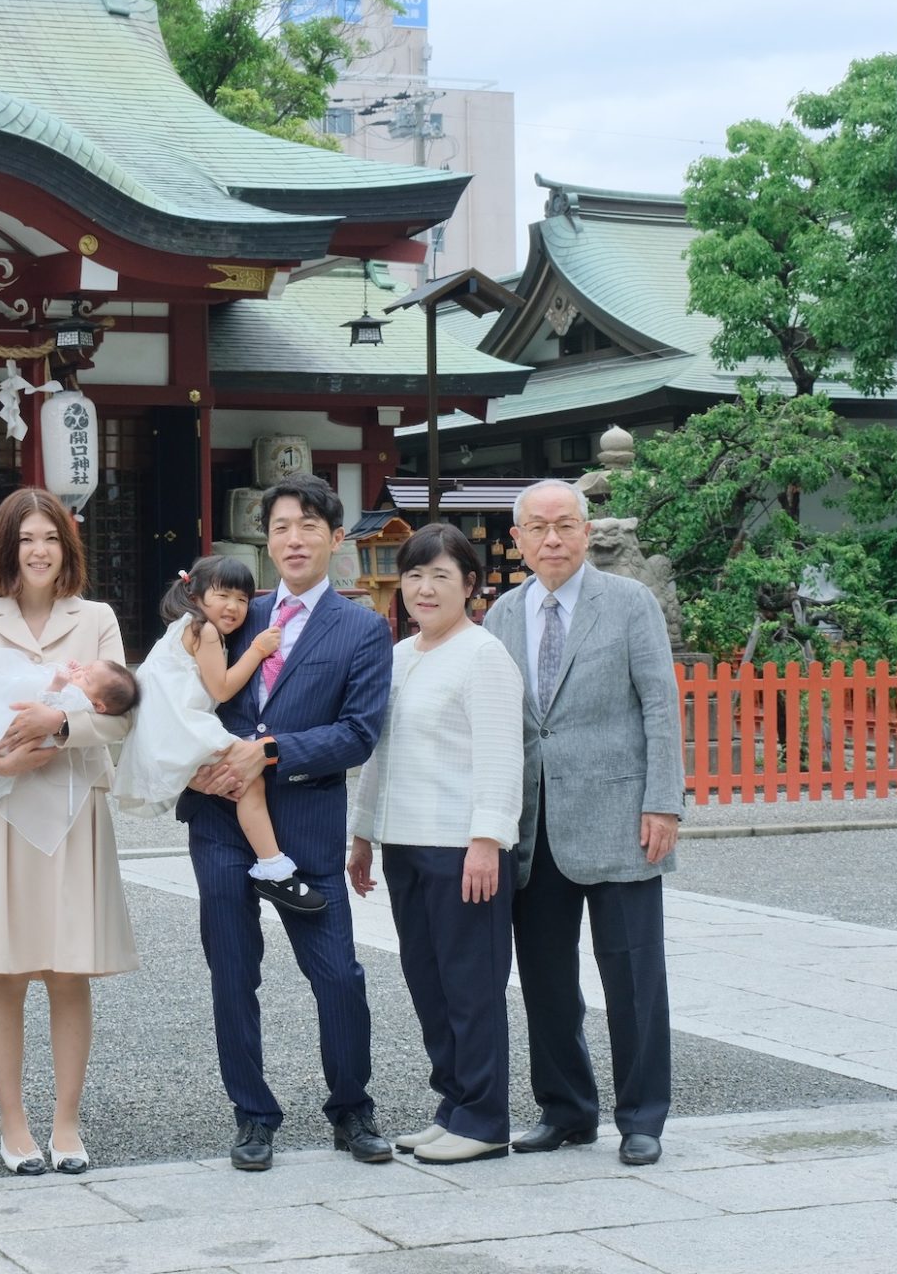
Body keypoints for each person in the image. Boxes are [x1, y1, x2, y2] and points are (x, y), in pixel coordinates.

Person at [0, 488, 137, 1178]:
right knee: (6, 973)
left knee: (69, 972)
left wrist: (60, 725)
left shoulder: (95, 619)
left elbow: (124, 714)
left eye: (49, 538)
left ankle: (66, 1123)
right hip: (1, 812)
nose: (37, 550)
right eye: (24, 539)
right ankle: (15, 1127)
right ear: (4, 552)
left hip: (74, 812)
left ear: (66, 549)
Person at [177, 472, 393, 1171]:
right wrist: (192, 762)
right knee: (232, 973)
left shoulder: (362, 629)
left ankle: (351, 1107)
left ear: (335, 539)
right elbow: (182, 696)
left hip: (305, 824)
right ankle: (253, 1114)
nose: (293, 538)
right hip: (218, 823)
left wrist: (268, 750)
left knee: (338, 976)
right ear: (264, 540)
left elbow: (359, 732)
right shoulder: (236, 610)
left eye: (307, 526)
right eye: (280, 527)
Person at [484, 478, 684, 1167]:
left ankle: (642, 1115)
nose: (552, 539)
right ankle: (566, 1109)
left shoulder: (629, 603)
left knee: (633, 975)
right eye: (536, 528)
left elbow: (660, 705)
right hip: (533, 825)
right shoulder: (503, 615)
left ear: (587, 529)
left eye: (564, 525)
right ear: (517, 540)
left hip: (622, 815)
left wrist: (664, 801)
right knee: (544, 979)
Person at [346, 524, 524, 1164]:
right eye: (415, 574)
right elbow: (377, 754)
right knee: (429, 982)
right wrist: (362, 832)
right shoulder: (399, 656)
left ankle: (483, 1118)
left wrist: (486, 839)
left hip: (460, 846)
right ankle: (453, 1105)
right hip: (405, 843)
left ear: (470, 586)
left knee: (471, 984)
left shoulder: (484, 655)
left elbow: (503, 757)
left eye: (440, 576)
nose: (423, 587)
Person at [115, 555, 325, 913]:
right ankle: (273, 868)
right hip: (184, 728)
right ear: (195, 595)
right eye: (223, 595)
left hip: (167, 729)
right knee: (250, 779)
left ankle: (268, 864)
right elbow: (223, 688)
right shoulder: (204, 630)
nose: (233, 606)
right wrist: (259, 650)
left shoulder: (182, 626)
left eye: (242, 599)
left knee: (236, 784)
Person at [0, 653, 138, 852]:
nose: (80, 673)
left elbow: (122, 720)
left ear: (99, 705)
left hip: (63, 791)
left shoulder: (79, 697)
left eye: (86, 678)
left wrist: (58, 718)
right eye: (85, 669)